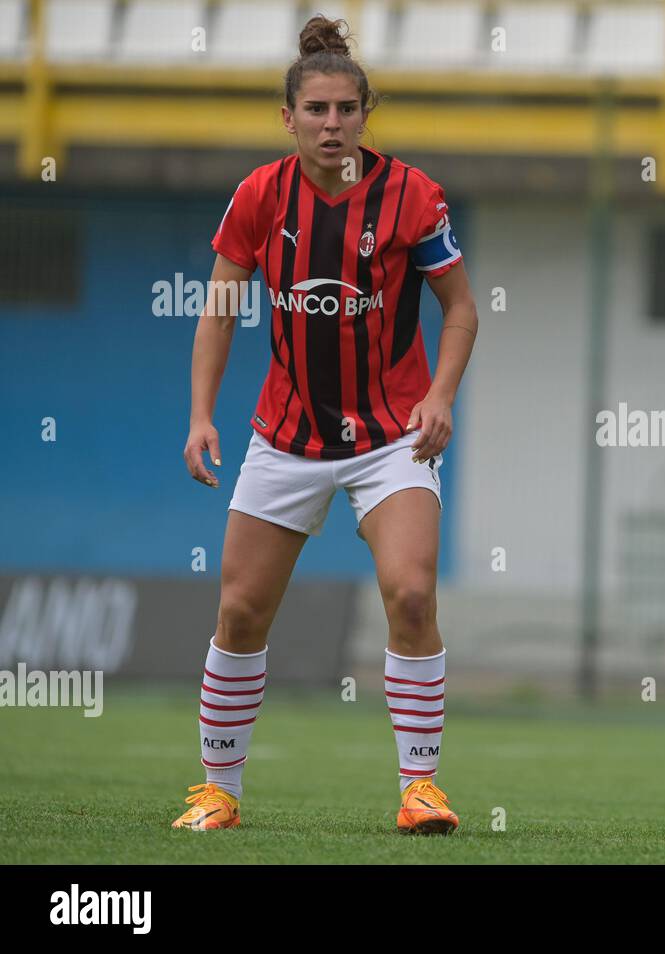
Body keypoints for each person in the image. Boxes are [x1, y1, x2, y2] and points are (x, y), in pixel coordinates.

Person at [174, 15, 478, 835]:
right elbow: (219, 311)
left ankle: (420, 790)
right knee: (240, 612)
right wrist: (203, 415)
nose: (332, 124)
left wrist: (441, 394)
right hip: (286, 437)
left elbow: (459, 311)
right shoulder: (259, 197)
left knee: (412, 594)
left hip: (391, 437)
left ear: (365, 112)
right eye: (317, 110)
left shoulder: (412, 195)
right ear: (290, 117)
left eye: (347, 109)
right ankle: (218, 792)